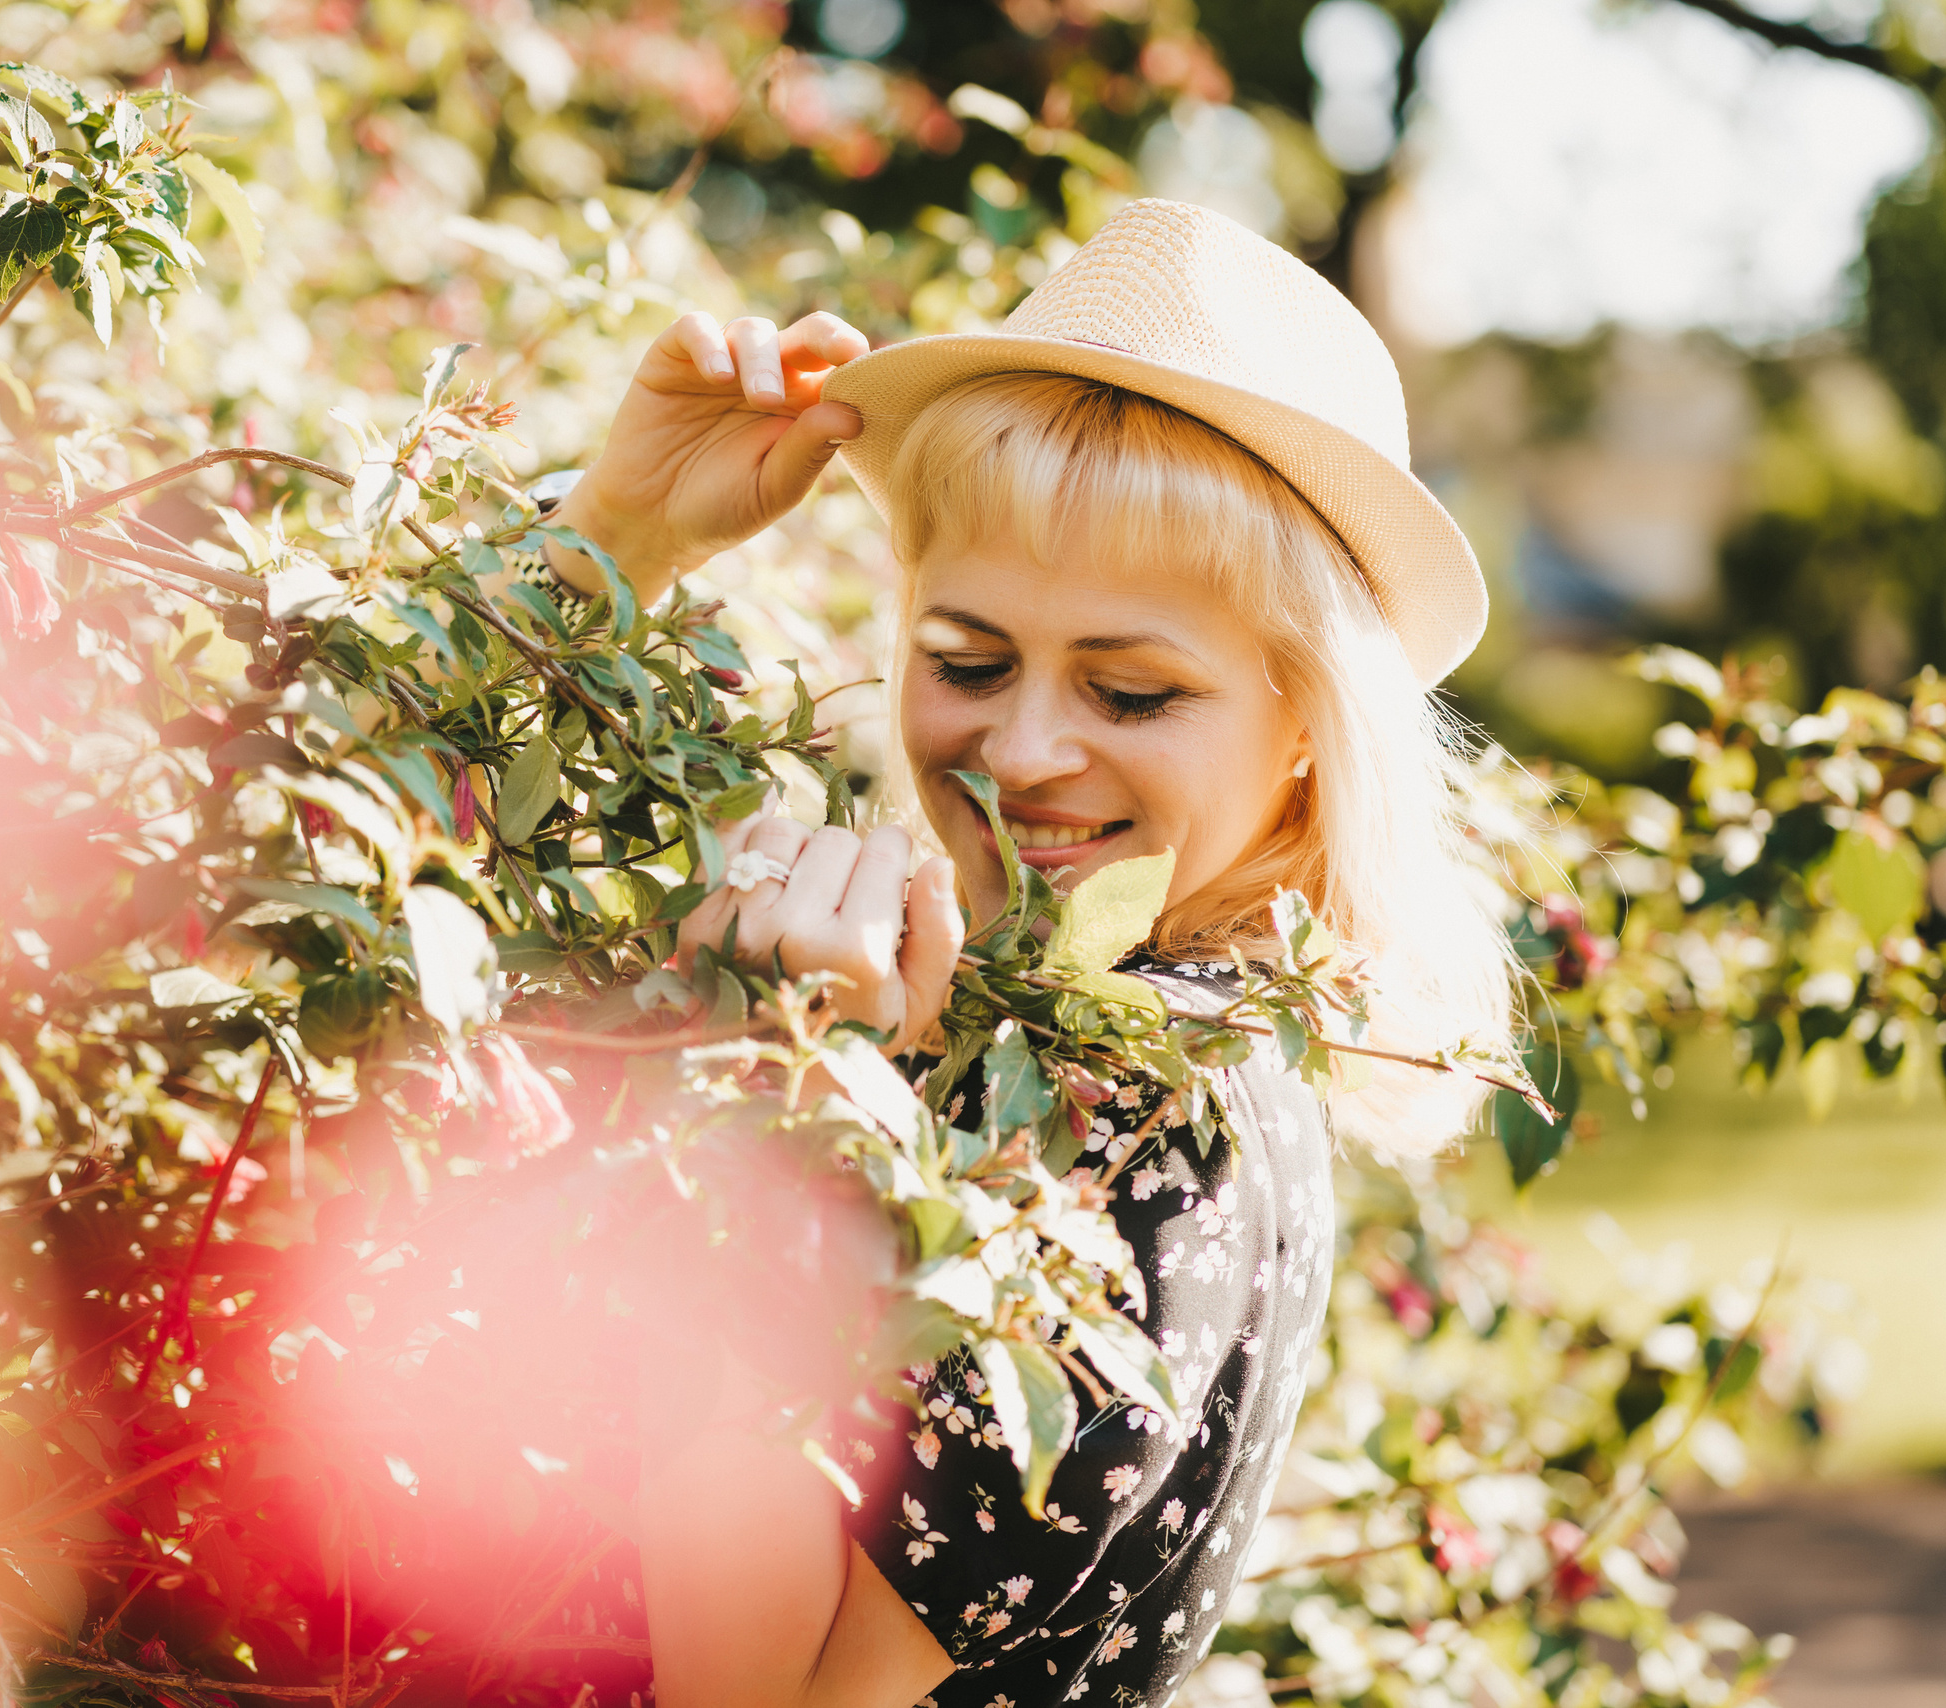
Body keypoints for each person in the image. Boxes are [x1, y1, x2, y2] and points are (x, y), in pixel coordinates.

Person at [534, 199, 1516, 1708]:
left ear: (1311, 738)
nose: (1027, 746)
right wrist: (624, 539)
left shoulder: (1130, 1100)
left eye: (1132, 692)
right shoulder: (1068, 1036)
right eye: (968, 662)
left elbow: (755, 1694)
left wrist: (793, 1126)